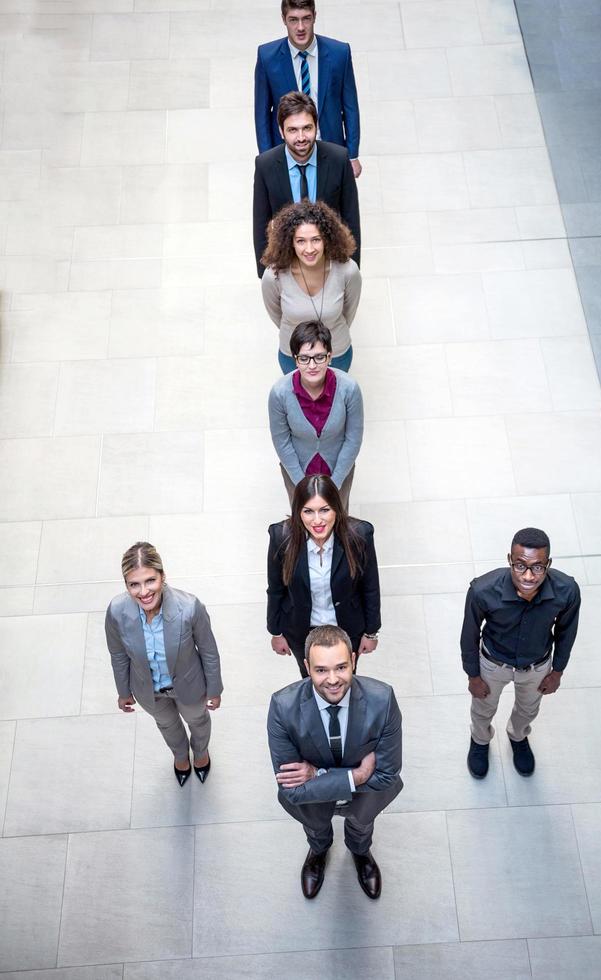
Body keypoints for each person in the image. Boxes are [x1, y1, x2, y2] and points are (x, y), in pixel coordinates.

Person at [267, 624, 402, 899]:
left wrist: (317, 774)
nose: (332, 680)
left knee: (362, 826)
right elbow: (292, 789)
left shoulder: (383, 699)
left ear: (353, 660)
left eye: (341, 667)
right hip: (316, 802)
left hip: (367, 797)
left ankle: (360, 852)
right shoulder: (282, 707)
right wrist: (357, 776)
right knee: (316, 828)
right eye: (321, 670)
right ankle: (318, 851)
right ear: (306, 667)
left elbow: (387, 775)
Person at [461, 527, 581, 779]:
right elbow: (469, 635)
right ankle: (480, 740)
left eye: (537, 567)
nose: (528, 576)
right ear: (509, 560)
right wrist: (473, 676)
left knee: (528, 709)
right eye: (520, 566)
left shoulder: (567, 590)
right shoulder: (482, 590)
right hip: (493, 663)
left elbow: (566, 632)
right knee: (483, 708)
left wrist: (557, 671)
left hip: (536, 666)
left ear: (548, 564)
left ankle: (517, 735)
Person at [105, 542, 223, 786]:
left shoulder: (189, 607)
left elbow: (209, 651)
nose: (143, 592)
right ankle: (180, 756)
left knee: (198, 721)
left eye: (150, 581)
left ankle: (200, 753)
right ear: (126, 585)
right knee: (167, 725)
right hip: (149, 691)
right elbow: (118, 655)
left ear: (163, 576)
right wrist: (123, 692)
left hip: (190, 687)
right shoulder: (117, 612)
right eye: (134, 584)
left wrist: (214, 689)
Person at [267, 473, 380, 678]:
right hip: (302, 631)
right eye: (308, 511)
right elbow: (275, 590)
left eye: (325, 510)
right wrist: (276, 632)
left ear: (336, 508)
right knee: (310, 679)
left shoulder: (360, 535)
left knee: (344, 679)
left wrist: (371, 632)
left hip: (347, 628)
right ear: (298, 512)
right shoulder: (281, 537)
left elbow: (370, 587)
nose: (317, 520)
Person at [253, 91, 361, 278]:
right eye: (293, 130)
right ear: (281, 131)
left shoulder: (338, 159)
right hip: (286, 269)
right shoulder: (265, 164)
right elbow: (260, 223)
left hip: (331, 265)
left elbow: (351, 219)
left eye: (307, 128)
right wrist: (266, 276)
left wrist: (352, 270)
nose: (301, 137)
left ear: (316, 126)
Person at [254, 0, 361, 177]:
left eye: (306, 18)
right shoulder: (267, 57)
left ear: (315, 17)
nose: (301, 27)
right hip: (286, 153)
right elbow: (262, 115)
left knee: (331, 205)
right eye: (293, 20)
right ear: (283, 19)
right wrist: (267, 159)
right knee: (290, 205)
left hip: (330, 149)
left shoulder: (339, 53)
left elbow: (350, 107)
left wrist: (352, 155)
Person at [268, 320, 363, 510]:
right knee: (303, 520)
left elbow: (353, 439)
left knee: (338, 517)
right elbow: (282, 442)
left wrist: (334, 485)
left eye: (319, 357)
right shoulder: (280, 393)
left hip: (338, 470)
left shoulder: (349, 389)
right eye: (304, 358)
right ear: (295, 360)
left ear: (330, 356)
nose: (312, 365)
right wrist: (302, 485)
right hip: (297, 470)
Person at [262, 200, 361, 373]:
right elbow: (276, 314)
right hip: (293, 356)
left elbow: (348, 313)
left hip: (336, 354)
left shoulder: (348, 270)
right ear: (290, 242)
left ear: (327, 239)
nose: (309, 249)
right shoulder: (274, 276)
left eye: (316, 240)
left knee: (334, 400)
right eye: (300, 241)